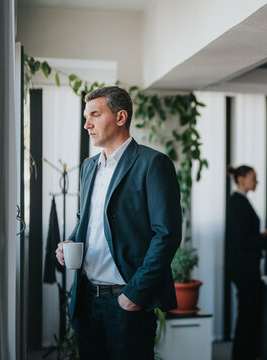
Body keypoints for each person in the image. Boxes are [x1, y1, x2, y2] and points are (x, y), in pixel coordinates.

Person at [55, 86, 182, 359]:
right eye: (85, 116)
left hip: (126, 301)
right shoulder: (89, 166)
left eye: (95, 115)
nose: (87, 124)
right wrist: (70, 242)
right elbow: (86, 220)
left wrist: (135, 294)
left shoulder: (153, 163)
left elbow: (167, 235)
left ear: (121, 117)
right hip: (86, 300)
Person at [225, 165, 267, 360]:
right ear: (241, 179)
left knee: (248, 313)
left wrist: (262, 236)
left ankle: (246, 354)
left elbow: (243, 236)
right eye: (253, 178)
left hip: (243, 266)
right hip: (245, 268)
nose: (256, 182)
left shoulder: (238, 202)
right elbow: (242, 242)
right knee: (248, 315)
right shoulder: (238, 203)